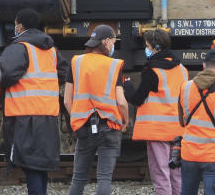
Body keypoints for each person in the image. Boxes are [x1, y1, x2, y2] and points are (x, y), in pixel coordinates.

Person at [0, 8, 69, 195]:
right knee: (40, 165)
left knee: (29, 165)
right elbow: (64, 73)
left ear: (20, 26)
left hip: (24, 115)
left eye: (15, 24)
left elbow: (5, 75)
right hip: (48, 113)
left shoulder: (19, 47)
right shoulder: (51, 49)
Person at [65, 24, 129, 195]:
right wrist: (125, 121)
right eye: (114, 41)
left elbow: (66, 100)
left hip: (84, 128)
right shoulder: (114, 65)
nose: (113, 45)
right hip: (109, 127)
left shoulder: (76, 62)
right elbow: (121, 102)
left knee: (78, 178)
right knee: (104, 178)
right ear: (107, 41)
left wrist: (77, 119)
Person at [124, 29, 188, 195]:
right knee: (176, 172)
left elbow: (137, 99)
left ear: (155, 47)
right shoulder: (182, 69)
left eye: (147, 46)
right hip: (178, 130)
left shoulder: (152, 70)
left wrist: (128, 87)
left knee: (161, 174)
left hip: (157, 130)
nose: (147, 49)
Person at [178, 48, 215, 195]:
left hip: (189, 154)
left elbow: (182, 122)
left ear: (203, 65)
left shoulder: (185, 87)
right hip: (212, 156)